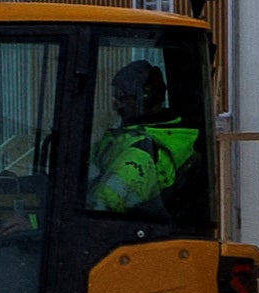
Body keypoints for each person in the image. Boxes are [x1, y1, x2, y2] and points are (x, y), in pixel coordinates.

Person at [85, 58, 206, 221]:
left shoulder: (141, 154)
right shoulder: (124, 136)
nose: (115, 105)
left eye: (122, 96)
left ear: (145, 97)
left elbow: (101, 207)